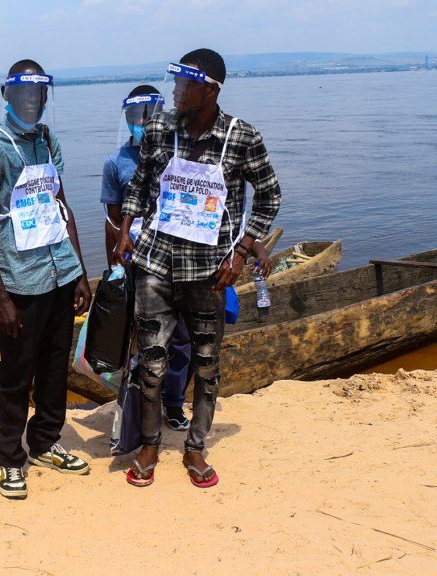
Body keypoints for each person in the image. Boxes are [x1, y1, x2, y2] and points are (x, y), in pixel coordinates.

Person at [114, 49, 282, 489]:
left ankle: (194, 447)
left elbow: (269, 196)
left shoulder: (241, 138)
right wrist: (126, 226)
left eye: (183, 86)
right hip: (155, 263)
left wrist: (243, 251)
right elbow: (141, 180)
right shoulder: (158, 129)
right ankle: (149, 444)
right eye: (176, 85)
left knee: (206, 365)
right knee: (151, 364)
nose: (175, 93)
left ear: (209, 90)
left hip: (210, 272)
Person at [0, 59, 93, 499]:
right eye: (21, 94)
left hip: (59, 273)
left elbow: (62, 208)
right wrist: (0, 296)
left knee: (55, 365)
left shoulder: (47, 141)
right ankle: (10, 457)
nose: (30, 102)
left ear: (44, 98)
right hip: (20, 282)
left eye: (37, 95)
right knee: (16, 374)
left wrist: (79, 272)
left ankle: (45, 441)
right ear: (7, 96)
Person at [101, 84, 193, 431]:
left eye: (147, 115)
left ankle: (173, 403)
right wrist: (114, 268)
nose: (141, 122)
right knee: (140, 340)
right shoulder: (116, 162)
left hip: (176, 259)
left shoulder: (178, 152)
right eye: (134, 117)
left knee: (181, 338)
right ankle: (138, 408)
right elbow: (112, 221)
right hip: (137, 264)